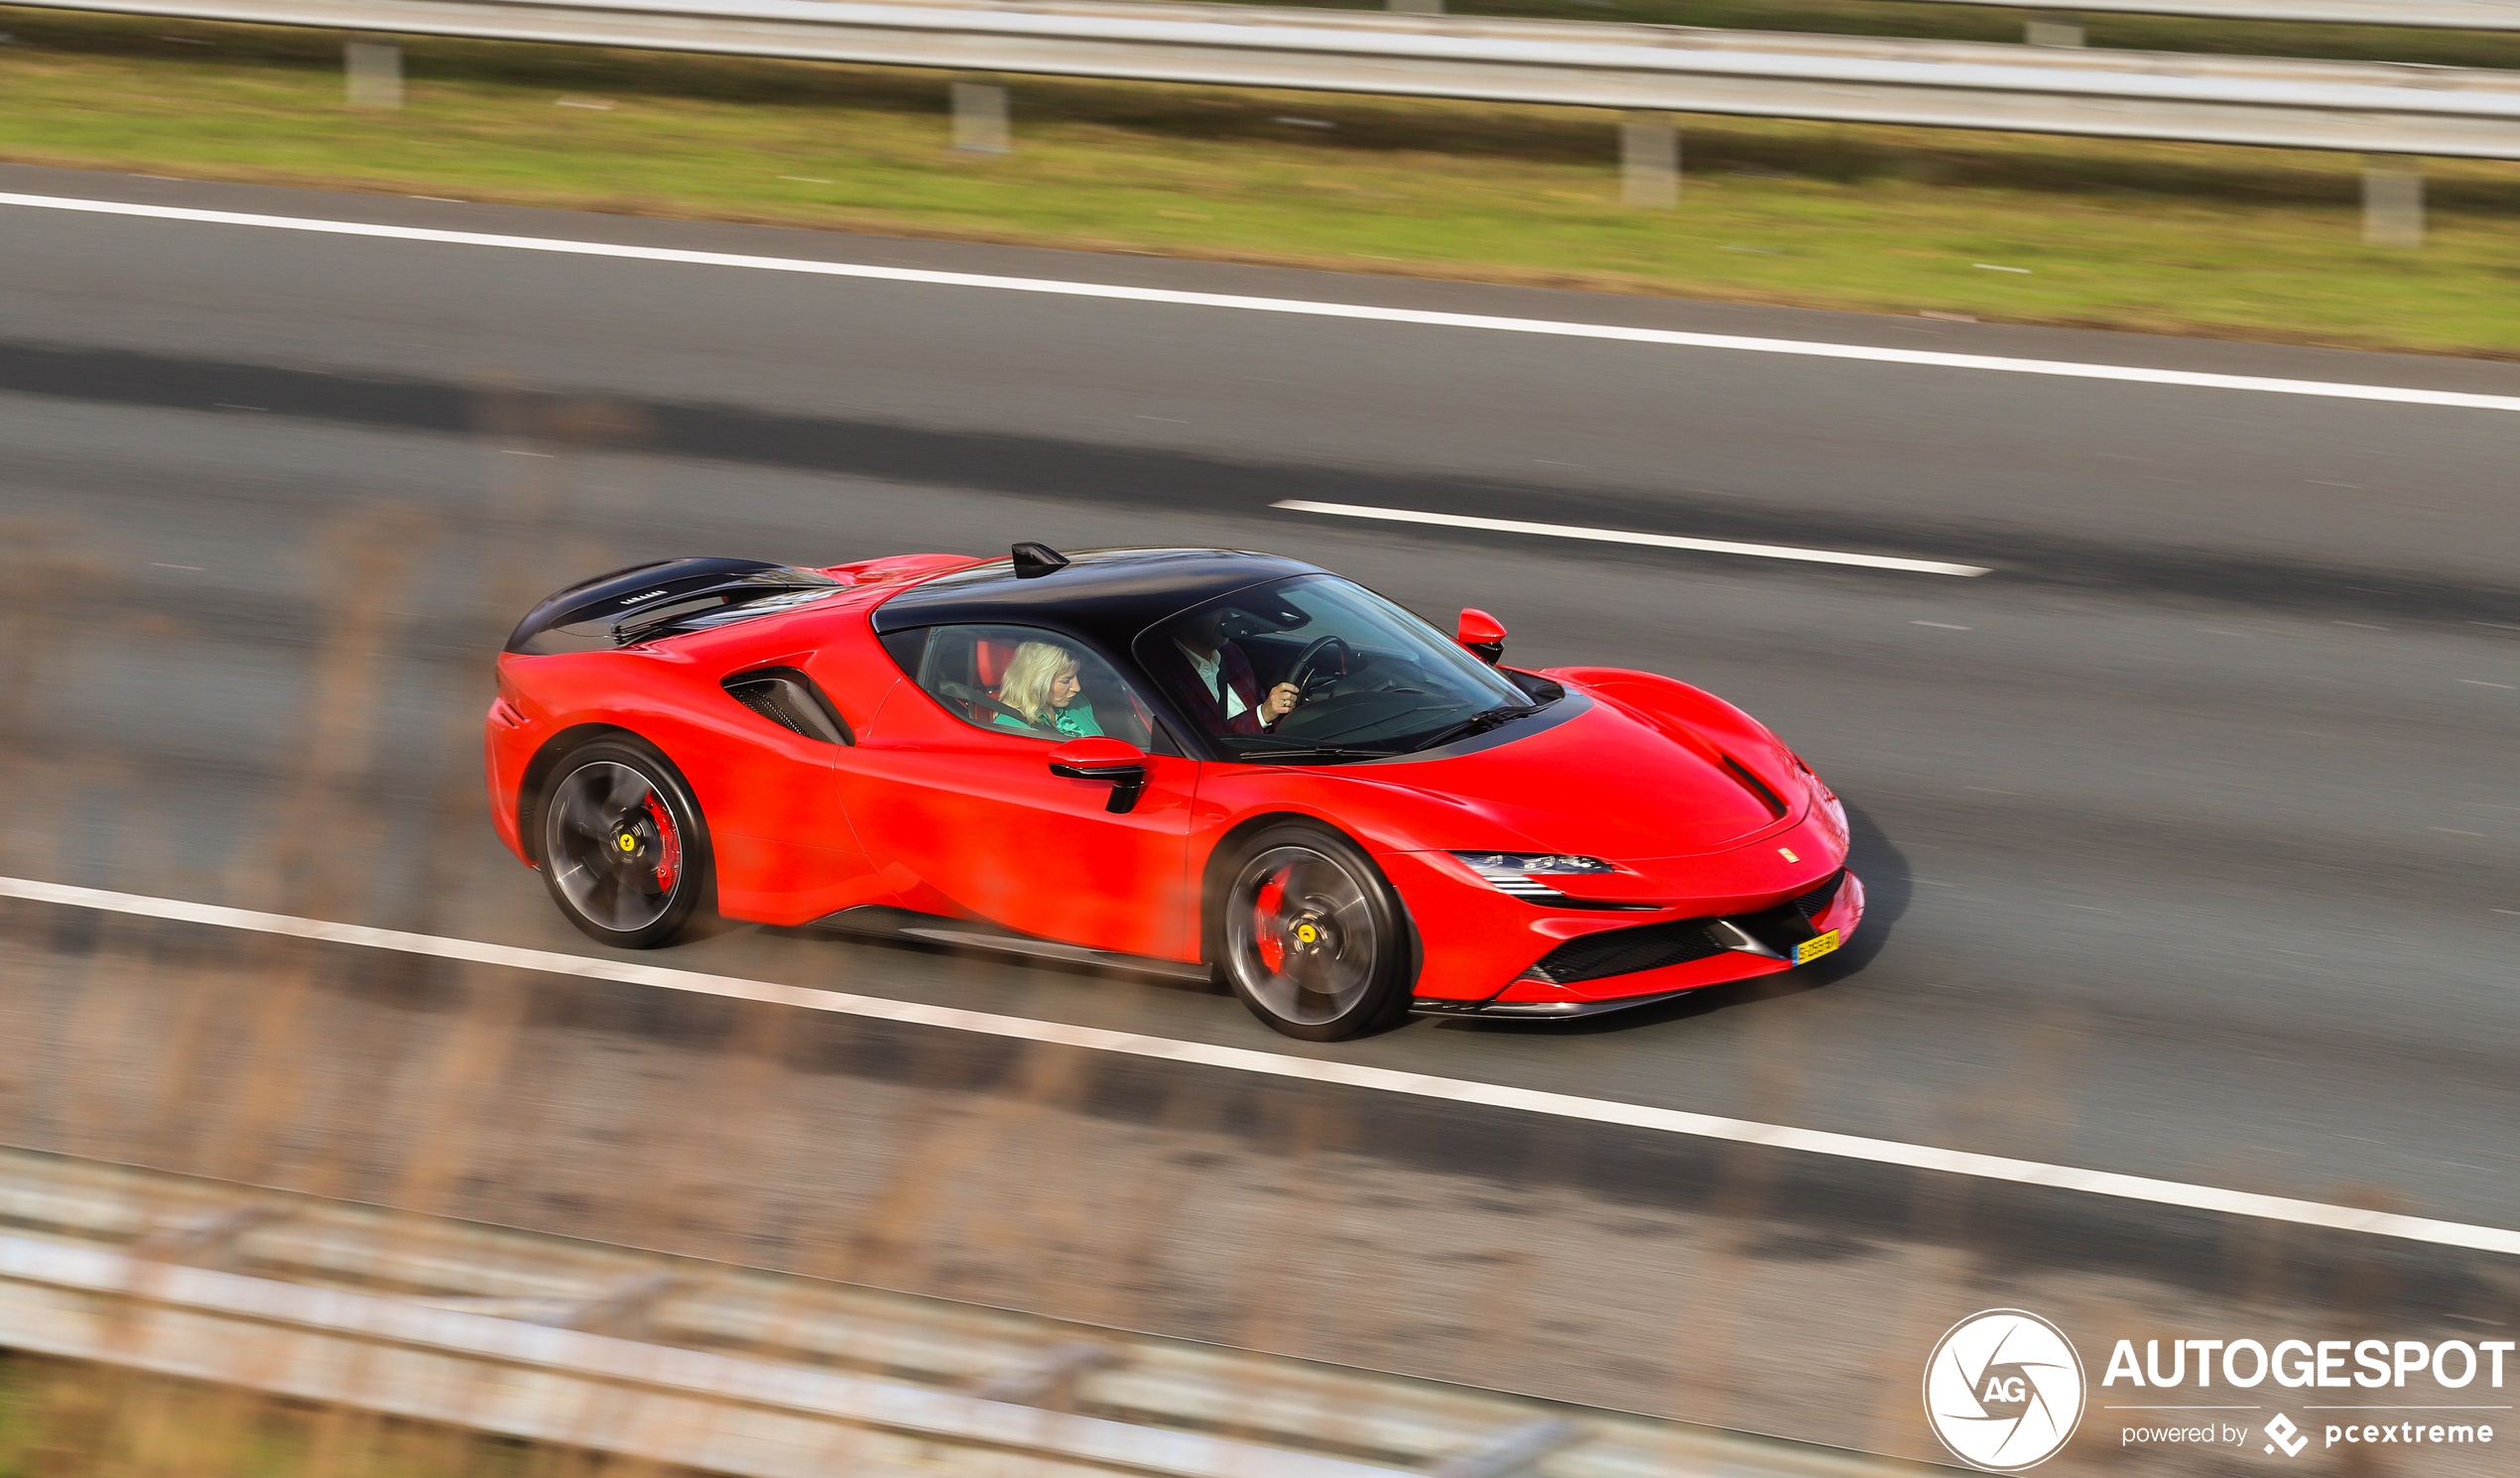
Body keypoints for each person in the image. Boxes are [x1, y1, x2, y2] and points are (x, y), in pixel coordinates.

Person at [1161, 608, 1299, 736]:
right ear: (1186, 617)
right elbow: (1200, 740)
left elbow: (1262, 705)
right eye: (1218, 611)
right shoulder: (1164, 672)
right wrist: (1262, 715)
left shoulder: (1231, 653)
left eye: (1229, 610)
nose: (1228, 617)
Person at [994, 641, 1103, 738]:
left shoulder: (1078, 703)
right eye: (1065, 681)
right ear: (1036, 682)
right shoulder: (1009, 728)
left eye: (1077, 676)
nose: (1077, 688)